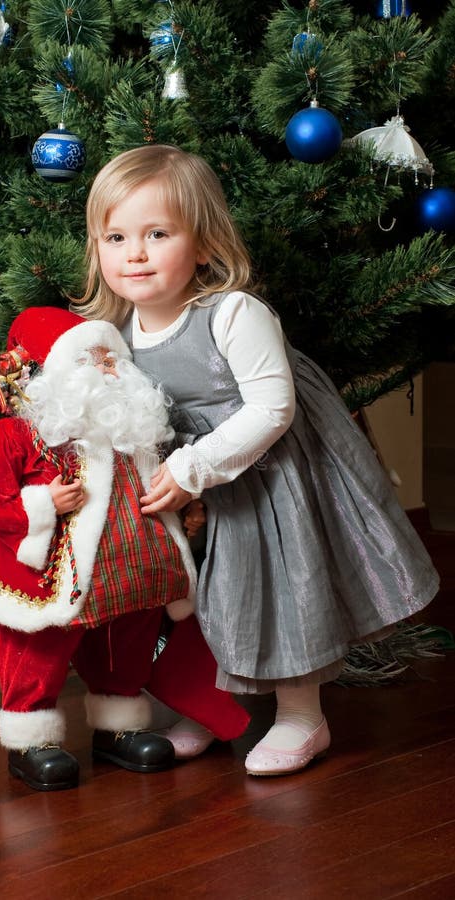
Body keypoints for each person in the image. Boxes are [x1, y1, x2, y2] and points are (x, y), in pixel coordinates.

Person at [70, 143, 440, 777]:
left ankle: (303, 715)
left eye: (158, 233)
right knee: (205, 597)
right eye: (116, 236)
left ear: (205, 245)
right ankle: (219, 706)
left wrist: (192, 469)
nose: (134, 253)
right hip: (190, 495)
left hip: (266, 479)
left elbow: (273, 408)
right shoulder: (119, 334)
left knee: (279, 591)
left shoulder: (232, 314)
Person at [0, 310, 250, 790]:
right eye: (93, 359)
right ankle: (30, 739)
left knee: (125, 645)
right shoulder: (17, 432)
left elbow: (162, 476)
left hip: (131, 568)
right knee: (38, 650)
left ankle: (118, 725)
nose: (109, 369)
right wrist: (43, 502)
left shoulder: (134, 425)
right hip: (49, 575)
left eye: (114, 359)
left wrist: (186, 500)